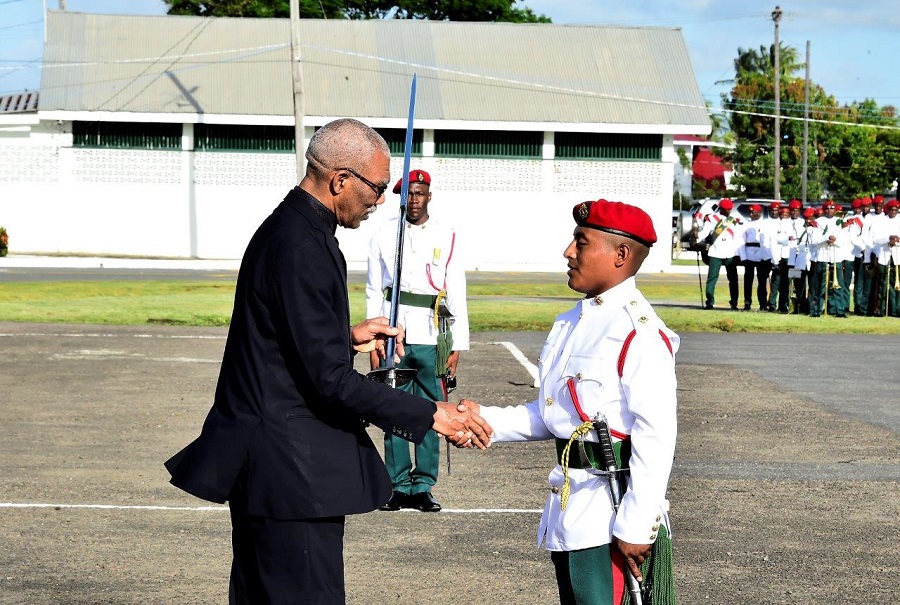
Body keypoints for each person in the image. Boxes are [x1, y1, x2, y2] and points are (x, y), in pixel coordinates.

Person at [163, 119, 491, 605]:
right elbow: (328, 380)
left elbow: (285, 340)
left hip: (270, 467)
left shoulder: (287, 229)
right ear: (340, 180)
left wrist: (344, 336)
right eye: (376, 187)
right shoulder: (303, 246)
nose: (381, 200)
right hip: (290, 472)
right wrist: (431, 413)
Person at [461, 199, 679, 605]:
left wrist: (636, 524)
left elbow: (656, 435)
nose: (568, 252)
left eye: (581, 242)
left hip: (611, 515)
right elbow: (555, 414)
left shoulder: (639, 332)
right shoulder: (570, 323)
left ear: (620, 255)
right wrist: (483, 419)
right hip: (570, 506)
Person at [366, 169, 469, 513]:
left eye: (420, 193)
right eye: (408, 194)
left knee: (429, 410)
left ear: (429, 196)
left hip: (431, 334)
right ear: (401, 197)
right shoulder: (384, 235)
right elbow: (374, 289)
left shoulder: (447, 235)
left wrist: (457, 345)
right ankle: (397, 485)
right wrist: (375, 337)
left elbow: (456, 291)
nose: (414, 200)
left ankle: (423, 485)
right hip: (393, 333)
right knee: (392, 408)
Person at [697, 198, 742, 310]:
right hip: (716, 251)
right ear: (721, 209)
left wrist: (738, 252)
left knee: (733, 279)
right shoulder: (712, 219)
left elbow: (737, 237)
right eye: (726, 209)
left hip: (730, 253)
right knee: (712, 278)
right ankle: (710, 302)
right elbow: (704, 232)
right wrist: (696, 238)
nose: (728, 211)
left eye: (729, 209)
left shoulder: (733, 220)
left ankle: (734, 303)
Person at [739, 203, 772, 311]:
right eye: (751, 212)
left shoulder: (765, 224)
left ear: (759, 213)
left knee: (762, 281)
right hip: (749, 253)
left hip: (760, 252)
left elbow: (767, 241)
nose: (752, 214)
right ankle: (747, 303)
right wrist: (743, 257)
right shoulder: (745, 225)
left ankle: (763, 303)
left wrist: (767, 256)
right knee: (748, 280)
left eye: (754, 212)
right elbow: (741, 241)